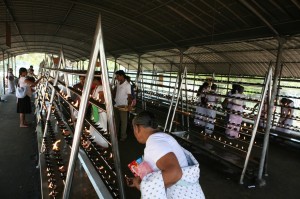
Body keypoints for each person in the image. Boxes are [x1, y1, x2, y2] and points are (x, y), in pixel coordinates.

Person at [127, 111, 205, 199]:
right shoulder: (161, 137)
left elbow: (175, 173)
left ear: (137, 128)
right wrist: (138, 181)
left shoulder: (154, 142)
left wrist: (143, 186)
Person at [113, 70, 132, 141]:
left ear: (122, 76)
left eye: (117, 76)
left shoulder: (127, 85)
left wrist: (129, 105)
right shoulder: (118, 83)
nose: (116, 78)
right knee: (116, 121)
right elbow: (116, 91)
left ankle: (123, 136)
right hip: (116, 105)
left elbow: (129, 96)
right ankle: (115, 135)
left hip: (123, 106)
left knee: (124, 121)